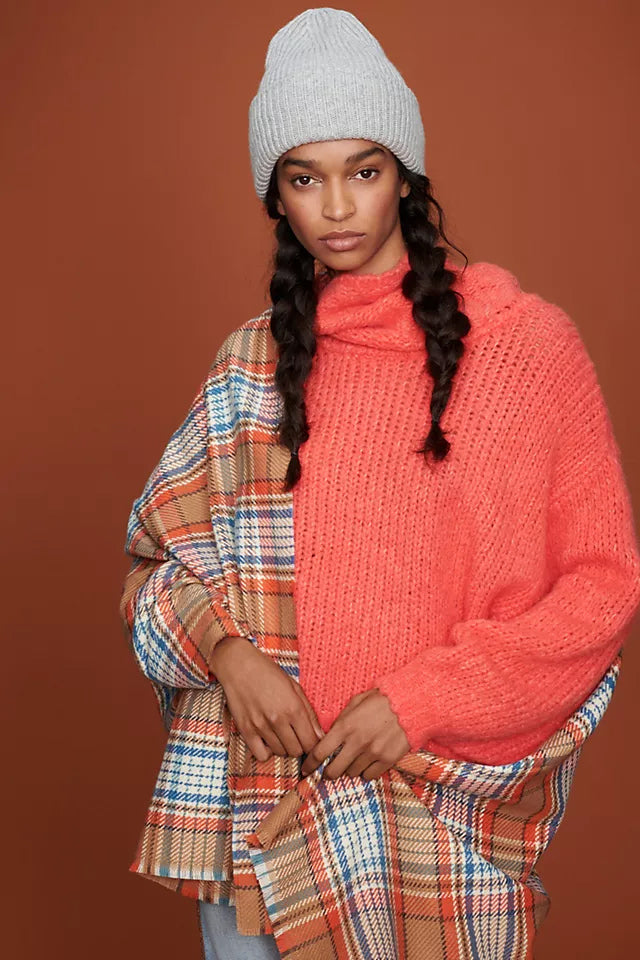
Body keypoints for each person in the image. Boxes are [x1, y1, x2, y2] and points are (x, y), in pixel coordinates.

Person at [118, 8, 640, 959]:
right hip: (261, 823)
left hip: (431, 830)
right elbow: (151, 575)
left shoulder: (525, 350)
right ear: (276, 196)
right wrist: (228, 656)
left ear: (405, 174)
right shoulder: (250, 369)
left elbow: (602, 589)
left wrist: (419, 701)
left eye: (364, 171)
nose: (338, 207)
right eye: (303, 177)